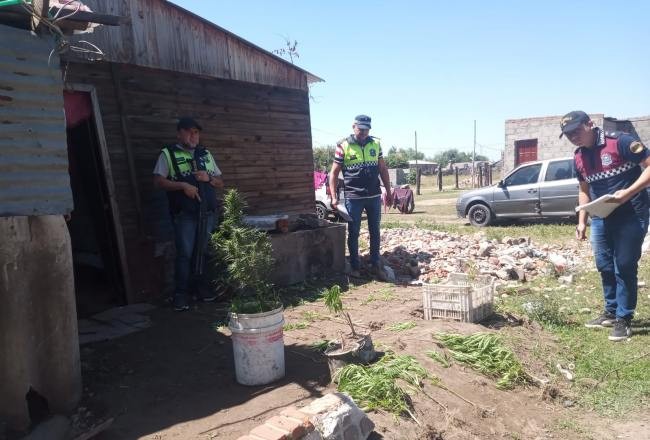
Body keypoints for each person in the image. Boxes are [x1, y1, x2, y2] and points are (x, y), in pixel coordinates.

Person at [561, 110, 650, 341]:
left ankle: (624, 318)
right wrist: (582, 221)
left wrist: (628, 192)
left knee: (624, 265)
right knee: (604, 264)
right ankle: (611, 311)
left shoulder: (620, 142)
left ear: (590, 124)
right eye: (568, 135)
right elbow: (584, 189)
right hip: (601, 216)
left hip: (631, 212)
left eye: (576, 131)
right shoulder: (578, 156)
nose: (573, 137)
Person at [153, 117, 224, 311]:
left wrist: (208, 178)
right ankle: (180, 294)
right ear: (179, 134)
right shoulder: (168, 154)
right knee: (184, 254)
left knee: (204, 252)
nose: (193, 136)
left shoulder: (205, 154)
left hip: (207, 214)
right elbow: (158, 182)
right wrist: (183, 186)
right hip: (185, 215)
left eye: (196, 132)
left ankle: (202, 290)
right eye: (189, 132)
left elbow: (220, 182)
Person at [329, 115, 392, 278]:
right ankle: (355, 266)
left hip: (374, 195)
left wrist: (389, 191)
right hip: (353, 197)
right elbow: (334, 173)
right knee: (354, 232)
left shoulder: (375, 144)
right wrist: (334, 197)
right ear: (353, 127)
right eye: (360, 129)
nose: (363, 132)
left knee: (375, 231)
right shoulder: (343, 145)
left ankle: (375, 264)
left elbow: (383, 169)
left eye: (366, 129)